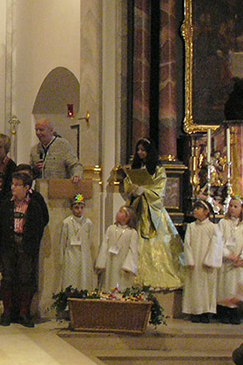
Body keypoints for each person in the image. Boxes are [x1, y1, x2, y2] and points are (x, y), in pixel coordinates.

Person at [0, 172, 48, 328]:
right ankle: (7, 312)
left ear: (27, 187)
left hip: (26, 246)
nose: (13, 187)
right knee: (7, 278)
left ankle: (23, 313)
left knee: (26, 279)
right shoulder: (6, 203)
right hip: (8, 245)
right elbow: (0, 225)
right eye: (12, 184)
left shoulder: (34, 205)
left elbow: (38, 228)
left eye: (17, 184)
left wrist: (31, 245)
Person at [123, 137, 184, 290]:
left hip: (152, 210)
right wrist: (133, 188)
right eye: (138, 150)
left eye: (143, 150)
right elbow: (128, 184)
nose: (140, 153)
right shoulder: (135, 166)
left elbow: (159, 190)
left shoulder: (158, 169)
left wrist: (145, 191)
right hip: (138, 208)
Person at [182, 199, 223, 323]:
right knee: (194, 286)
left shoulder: (213, 227)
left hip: (206, 264)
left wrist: (210, 261)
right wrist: (190, 260)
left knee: (207, 287)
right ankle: (195, 311)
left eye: (198, 208)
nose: (195, 210)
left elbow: (216, 245)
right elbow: (187, 245)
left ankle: (206, 311)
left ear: (206, 212)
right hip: (195, 263)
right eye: (195, 208)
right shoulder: (191, 227)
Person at [217, 196, 243, 324]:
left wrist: (242, 259)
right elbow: (219, 242)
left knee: (237, 288)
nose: (232, 208)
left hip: (239, 264)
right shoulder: (223, 223)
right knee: (225, 287)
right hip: (227, 262)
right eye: (231, 206)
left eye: (235, 206)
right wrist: (228, 255)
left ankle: (236, 314)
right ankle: (224, 313)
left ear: (242, 209)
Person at [95, 205, 139, 291]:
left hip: (122, 264)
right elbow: (104, 245)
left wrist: (129, 266)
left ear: (127, 217)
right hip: (110, 262)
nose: (117, 213)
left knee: (121, 282)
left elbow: (133, 250)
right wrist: (101, 262)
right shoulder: (111, 229)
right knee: (109, 280)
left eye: (121, 212)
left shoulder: (132, 232)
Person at [59, 194, 96, 292]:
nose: (79, 210)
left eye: (81, 207)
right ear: (71, 208)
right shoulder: (67, 222)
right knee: (71, 277)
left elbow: (90, 240)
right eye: (76, 207)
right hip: (71, 254)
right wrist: (61, 258)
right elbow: (63, 241)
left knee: (83, 278)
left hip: (84, 254)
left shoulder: (88, 223)